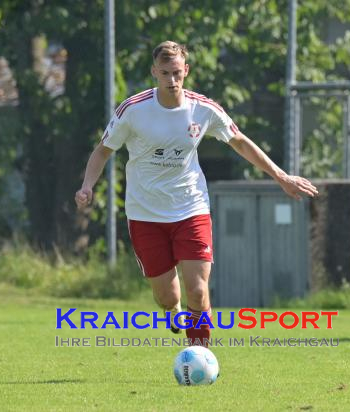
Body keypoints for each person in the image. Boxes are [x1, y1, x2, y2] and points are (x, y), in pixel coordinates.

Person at [75, 41, 318, 347]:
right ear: (154, 73)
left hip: (191, 208)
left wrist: (281, 176)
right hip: (145, 213)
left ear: (186, 70)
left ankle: (199, 354)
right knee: (168, 297)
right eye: (165, 73)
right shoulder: (133, 110)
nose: (172, 80)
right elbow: (103, 151)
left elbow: (240, 141)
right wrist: (87, 185)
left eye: (177, 72)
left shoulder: (203, 109)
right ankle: (173, 311)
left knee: (199, 290)